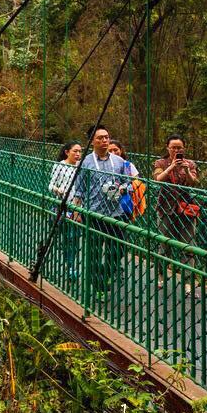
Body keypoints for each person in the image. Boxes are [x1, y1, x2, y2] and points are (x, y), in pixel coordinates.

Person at [73, 125, 128, 299]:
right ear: (92, 141)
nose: (104, 140)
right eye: (100, 138)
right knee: (94, 253)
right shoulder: (86, 162)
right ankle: (99, 287)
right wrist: (76, 211)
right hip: (94, 214)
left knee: (118, 250)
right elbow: (79, 189)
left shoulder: (119, 161)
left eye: (106, 137)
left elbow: (128, 183)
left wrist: (122, 189)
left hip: (116, 213)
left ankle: (106, 274)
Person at [153, 135, 201, 272]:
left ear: (184, 149)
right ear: (167, 148)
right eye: (173, 147)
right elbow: (158, 179)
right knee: (164, 242)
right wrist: (171, 167)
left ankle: (188, 278)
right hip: (165, 206)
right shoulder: (160, 163)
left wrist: (186, 171)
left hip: (187, 207)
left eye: (179, 148)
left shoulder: (190, 164)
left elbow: (194, 183)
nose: (176, 150)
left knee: (188, 244)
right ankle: (161, 273)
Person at [50, 142, 83, 279]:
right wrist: (57, 190)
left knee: (74, 238)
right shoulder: (60, 166)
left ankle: (70, 265)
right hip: (63, 206)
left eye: (80, 151)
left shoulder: (82, 166)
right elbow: (51, 185)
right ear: (67, 152)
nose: (78, 154)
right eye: (75, 151)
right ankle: (68, 265)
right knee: (67, 238)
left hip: (78, 207)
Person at [108, 140, 141, 220]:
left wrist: (126, 188)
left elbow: (137, 182)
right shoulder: (103, 165)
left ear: (121, 150)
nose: (113, 153)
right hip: (107, 202)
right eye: (110, 150)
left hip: (124, 202)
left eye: (115, 150)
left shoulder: (128, 165)